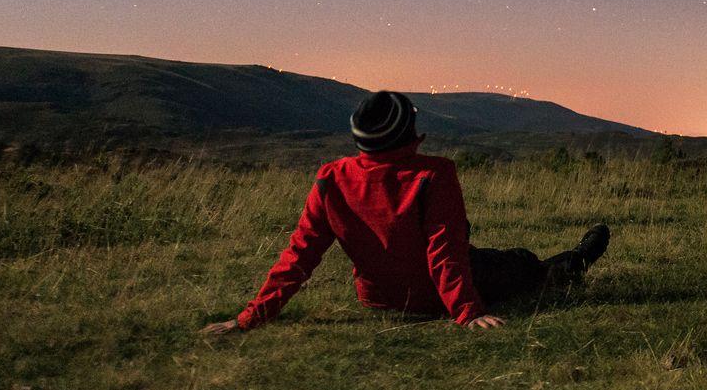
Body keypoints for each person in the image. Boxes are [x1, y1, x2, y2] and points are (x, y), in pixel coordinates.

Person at [200, 90, 610, 336]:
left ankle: (566, 260)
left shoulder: (331, 178)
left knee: (495, 258)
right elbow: (443, 251)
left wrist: (249, 319)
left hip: (378, 302)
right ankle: (578, 260)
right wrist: (467, 312)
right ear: (409, 133)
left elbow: (299, 255)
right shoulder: (433, 173)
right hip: (439, 298)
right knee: (522, 263)